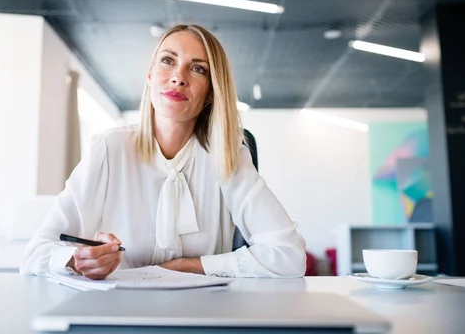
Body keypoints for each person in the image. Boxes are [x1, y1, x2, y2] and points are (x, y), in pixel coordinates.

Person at [20, 24, 306, 279]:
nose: (178, 77)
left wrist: (189, 265)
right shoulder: (109, 149)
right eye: (168, 61)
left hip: (204, 316)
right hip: (121, 314)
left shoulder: (228, 155)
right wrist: (75, 259)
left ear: (210, 93)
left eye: (197, 69)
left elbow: (289, 256)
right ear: (150, 75)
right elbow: (36, 253)